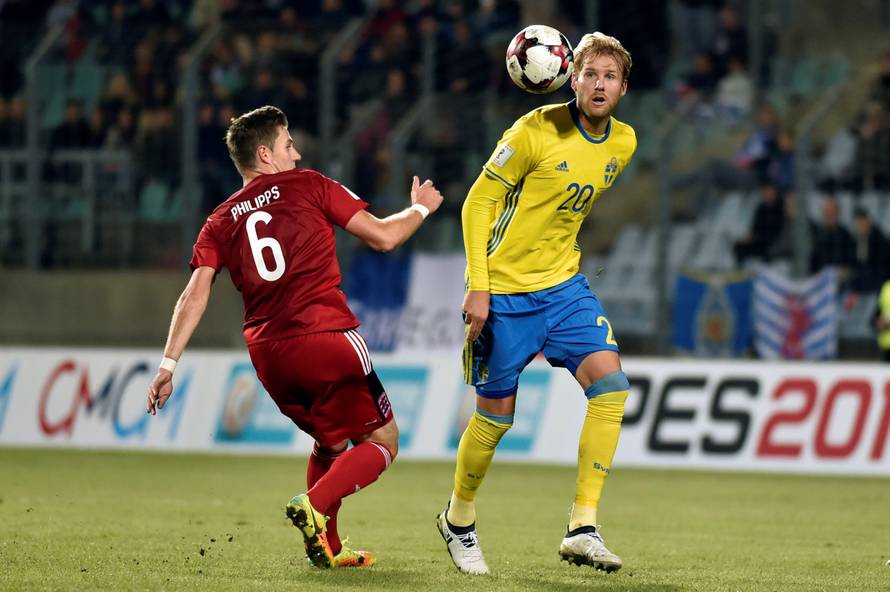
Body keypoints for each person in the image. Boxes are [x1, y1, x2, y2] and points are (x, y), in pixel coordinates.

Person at [146, 105, 443, 569]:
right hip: (326, 335)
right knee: (383, 440)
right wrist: (422, 207)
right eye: (288, 145)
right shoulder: (310, 185)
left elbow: (194, 295)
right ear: (265, 155)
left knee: (329, 442)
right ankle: (314, 503)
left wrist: (167, 366)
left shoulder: (219, 220)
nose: (298, 154)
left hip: (269, 355)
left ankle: (329, 546)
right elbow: (384, 237)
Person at [436, 32, 636, 575]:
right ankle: (458, 519)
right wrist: (479, 284)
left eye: (610, 77)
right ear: (571, 76)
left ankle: (583, 526)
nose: (599, 84)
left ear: (622, 87)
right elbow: (478, 204)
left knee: (611, 388)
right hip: (504, 293)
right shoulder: (532, 131)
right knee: (495, 421)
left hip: (566, 288)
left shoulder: (624, 145)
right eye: (590, 73)